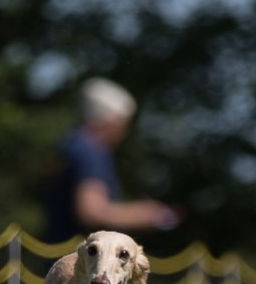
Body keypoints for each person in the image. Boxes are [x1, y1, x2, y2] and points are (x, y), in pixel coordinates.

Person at [44, 78, 183, 242]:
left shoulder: (71, 144)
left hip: (61, 256)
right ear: (109, 121)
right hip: (82, 261)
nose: (124, 131)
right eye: (123, 123)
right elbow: (92, 212)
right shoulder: (90, 151)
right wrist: (147, 215)